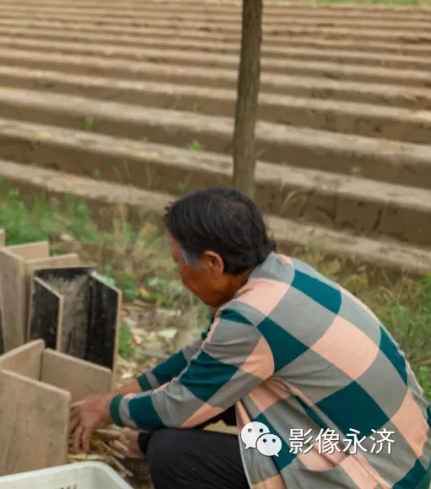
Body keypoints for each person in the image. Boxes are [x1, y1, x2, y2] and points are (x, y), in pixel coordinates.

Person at [70, 187, 431, 489]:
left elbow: (181, 404)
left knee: (172, 453)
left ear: (213, 263)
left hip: (373, 478)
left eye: (178, 261)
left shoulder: (251, 318)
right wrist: (126, 391)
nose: (177, 272)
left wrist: (109, 410)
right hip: (407, 458)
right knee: (194, 407)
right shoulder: (283, 276)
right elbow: (205, 355)